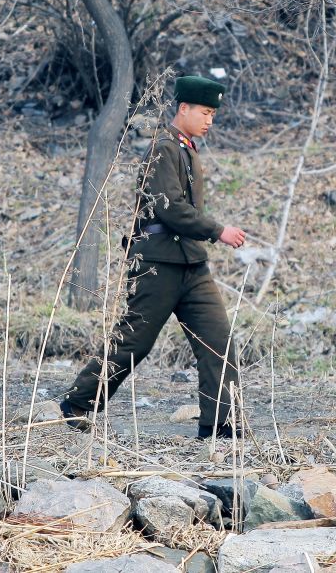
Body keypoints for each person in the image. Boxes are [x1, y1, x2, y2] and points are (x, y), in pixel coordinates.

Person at [60, 75, 248, 439]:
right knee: (133, 342)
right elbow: (171, 209)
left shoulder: (186, 148)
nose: (211, 119)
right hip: (158, 265)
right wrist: (217, 230)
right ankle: (76, 405)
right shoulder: (164, 147)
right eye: (205, 112)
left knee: (218, 341)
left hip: (191, 264)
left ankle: (220, 428)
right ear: (184, 109)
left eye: (213, 113)